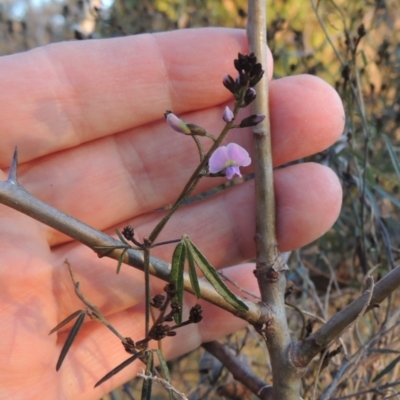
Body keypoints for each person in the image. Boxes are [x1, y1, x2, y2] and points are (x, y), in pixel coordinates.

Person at [0, 28, 344, 399]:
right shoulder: (216, 150)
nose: (230, 172)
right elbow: (222, 160)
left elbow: (227, 163)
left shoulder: (226, 150)